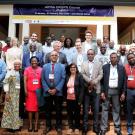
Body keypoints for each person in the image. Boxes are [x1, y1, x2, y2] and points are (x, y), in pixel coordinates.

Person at [100, 52, 126, 135]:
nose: (113, 58)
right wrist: (102, 92)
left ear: (117, 58)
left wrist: (123, 93)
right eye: (112, 57)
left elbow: (124, 81)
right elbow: (101, 81)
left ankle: (117, 128)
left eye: (115, 57)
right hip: (107, 90)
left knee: (116, 109)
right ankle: (103, 128)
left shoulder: (121, 68)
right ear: (110, 58)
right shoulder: (105, 67)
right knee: (105, 109)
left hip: (117, 91)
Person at [42, 50, 66, 135]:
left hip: (58, 92)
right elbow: (43, 79)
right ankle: (48, 126)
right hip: (47, 92)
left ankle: (58, 126)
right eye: (52, 55)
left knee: (58, 110)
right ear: (50, 57)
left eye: (56, 55)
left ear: (58, 57)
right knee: (47, 110)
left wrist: (56, 89)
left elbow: (63, 78)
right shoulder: (45, 66)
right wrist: (47, 89)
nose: (54, 56)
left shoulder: (62, 66)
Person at [81, 49, 103, 135]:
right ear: (87, 55)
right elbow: (82, 74)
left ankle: (96, 127)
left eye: (91, 54)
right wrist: (89, 81)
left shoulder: (99, 63)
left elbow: (101, 74)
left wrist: (94, 82)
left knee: (96, 110)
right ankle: (85, 127)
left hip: (96, 89)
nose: (90, 55)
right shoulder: (84, 63)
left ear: (94, 55)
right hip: (86, 89)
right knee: (85, 110)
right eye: (88, 54)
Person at [1, 60, 24, 132]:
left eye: (18, 64)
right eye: (15, 64)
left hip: (19, 95)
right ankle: (10, 126)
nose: (17, 65)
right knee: (11, 110)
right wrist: (7, 93)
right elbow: (6, 83)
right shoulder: (10, 72)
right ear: (13, 65)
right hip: (11, 94)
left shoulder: (21, 72)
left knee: (18, 110)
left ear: (20, 65)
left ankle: (17, 126)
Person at [64, 63, 84, 134]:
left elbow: (82, 89)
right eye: (71, 67)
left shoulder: (79, 76)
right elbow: (64, 87)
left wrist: (80, 100)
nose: (73, 68)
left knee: (77, 114)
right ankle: (70, 127)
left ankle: (77, 127)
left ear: (76, 68)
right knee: (69, 114)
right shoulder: (67, 76)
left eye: (74, 67)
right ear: (69, 69)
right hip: (68, 98)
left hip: (76, 98)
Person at [24, 56, 42, 132]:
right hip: (29, 92)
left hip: (38, 93)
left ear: (38, 62)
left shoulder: (41, 69)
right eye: (32, 61)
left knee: (37, 110)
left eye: (35, 61)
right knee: (30, 110)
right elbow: (25, 81)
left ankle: (36, 126)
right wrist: (25, 90)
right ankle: (30, 125)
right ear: (30, 62)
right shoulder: (27, 69)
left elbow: (42, 81)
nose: (34, 62)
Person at [125, 53, 135, 135]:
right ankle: (129, 127)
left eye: (132, 57)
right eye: (129, 58)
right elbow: (124, 80)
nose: (131, 59)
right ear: (127, 60)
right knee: (129, 111)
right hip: (129, 91)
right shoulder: (125, 67)